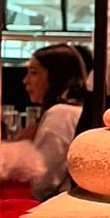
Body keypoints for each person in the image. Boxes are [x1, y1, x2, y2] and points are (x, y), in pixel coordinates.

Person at [23, 44, 86, 199]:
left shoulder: (61, 114)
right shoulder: (75, 110)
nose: (26, 80)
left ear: (56, 76)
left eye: (34, 72)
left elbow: (42, 182)